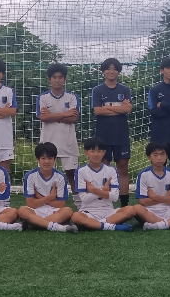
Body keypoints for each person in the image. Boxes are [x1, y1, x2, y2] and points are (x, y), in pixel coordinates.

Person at [91, 57, 133, 205]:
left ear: (118, 72)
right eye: (108, 68)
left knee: (123, 169)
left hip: (121, 136)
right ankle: (105, 203)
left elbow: (128, 109)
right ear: (103, 72)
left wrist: (107, 107)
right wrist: (119, 108)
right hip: (103, 136)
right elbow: (97, 111)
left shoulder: (125, 90)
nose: (111, 71)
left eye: (114, 69)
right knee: (104, 170)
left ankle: (124, 204)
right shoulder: (97, 90)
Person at [71, 138, 135, 231]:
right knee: (76, 216)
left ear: (104, 152)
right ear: (86, 152)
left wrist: (94, 190)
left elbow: (115, 197)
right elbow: (84, 199)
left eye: (99, 151)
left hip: (108, 211)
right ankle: (111, 226)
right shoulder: (81, 171)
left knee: (131, 210)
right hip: (88, 211)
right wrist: (103, 191)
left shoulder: (111, 170)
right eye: (92, 151)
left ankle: (96, 224)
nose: (96, 154)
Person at [37, 62, 80, 194]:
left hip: (68, 143)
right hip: (48, 142)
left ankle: (79, 204)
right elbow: (43, 117)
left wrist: (51, 115)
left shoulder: (72, 97)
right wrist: (65, 114)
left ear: (64, 79)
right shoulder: (42, 98)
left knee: (72, 176)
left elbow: (73, 119)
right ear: (49, 79)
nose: (57, 80)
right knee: (46, 177)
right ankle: (47, 202)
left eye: (60, 77)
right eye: (54, 77)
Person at [17, 142, 76, 233]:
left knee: (67, 211)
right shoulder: (30, 176)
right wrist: (50, 197)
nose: (47, 162)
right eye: (43, 158)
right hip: (36, 210)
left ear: (55, 159)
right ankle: (58, 227)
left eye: (50, 158)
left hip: (54, 211)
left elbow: (61, 204)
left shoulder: (60, 177)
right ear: (38, 159)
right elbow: (31, 204)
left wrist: (40, 197)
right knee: (22, 210)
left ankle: (34, 224)